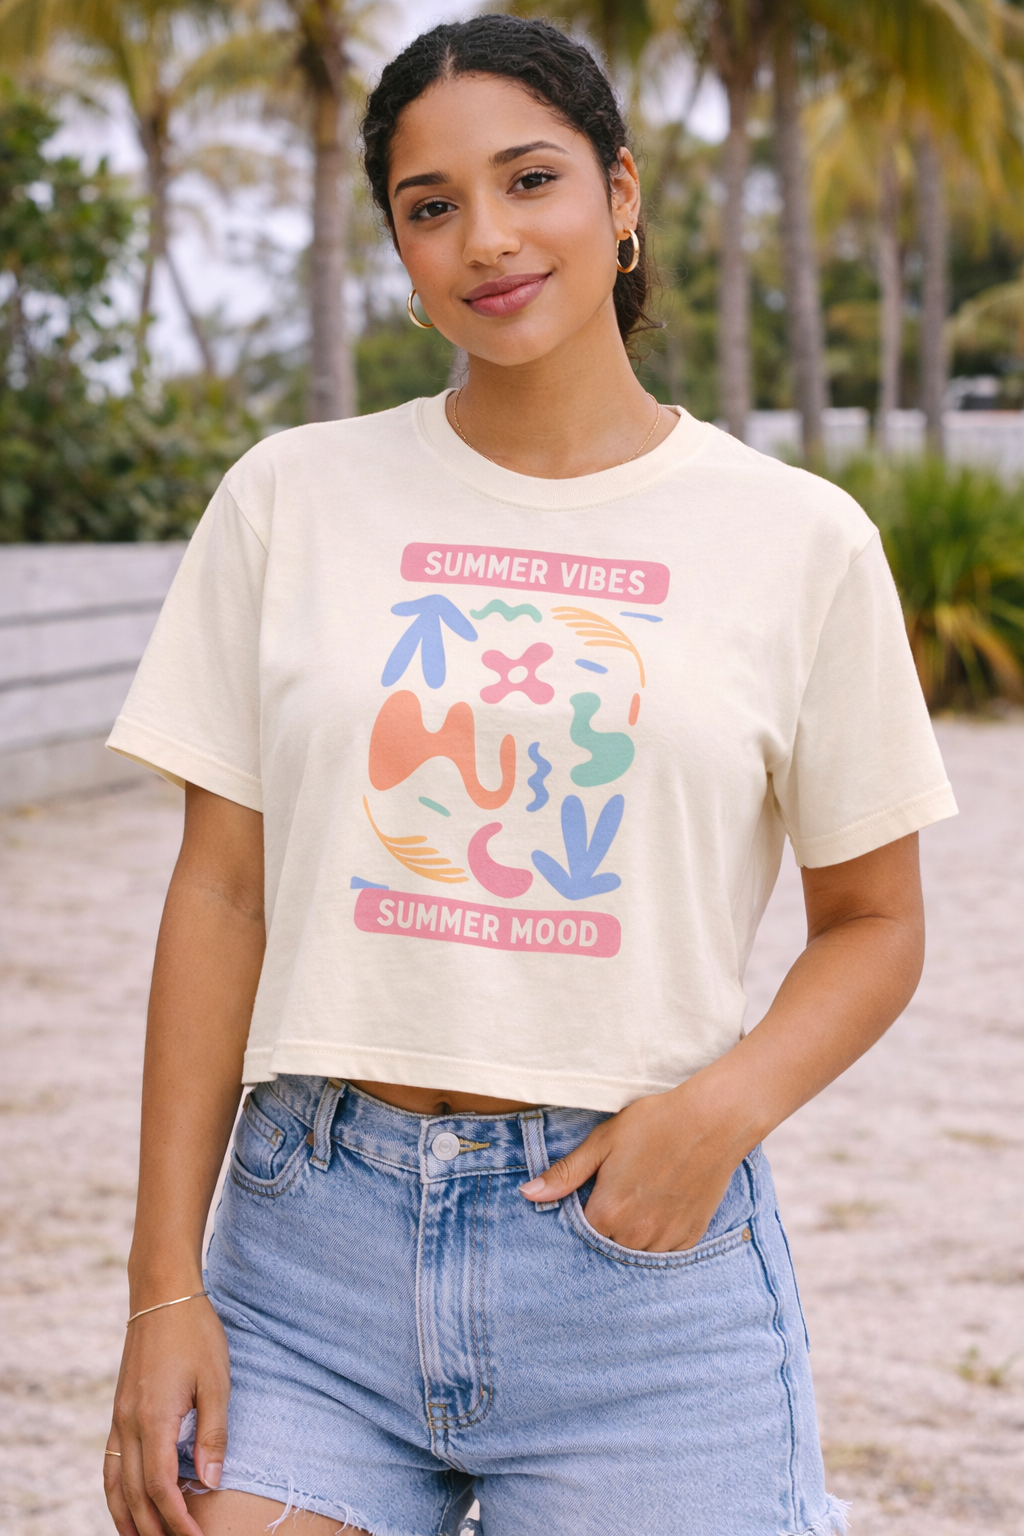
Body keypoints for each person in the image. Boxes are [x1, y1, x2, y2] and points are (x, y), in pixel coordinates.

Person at [102, 16, 957, 1536]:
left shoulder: (799, 539)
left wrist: (721, 1113)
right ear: (399, 250)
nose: (486, 239)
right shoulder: (290, 498)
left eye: (531, 180)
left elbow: (878, 922)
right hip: (312, 1252)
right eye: (430, 207)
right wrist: (162, 1287)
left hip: (639, 1276)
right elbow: (221, 890)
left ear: (622, 197)